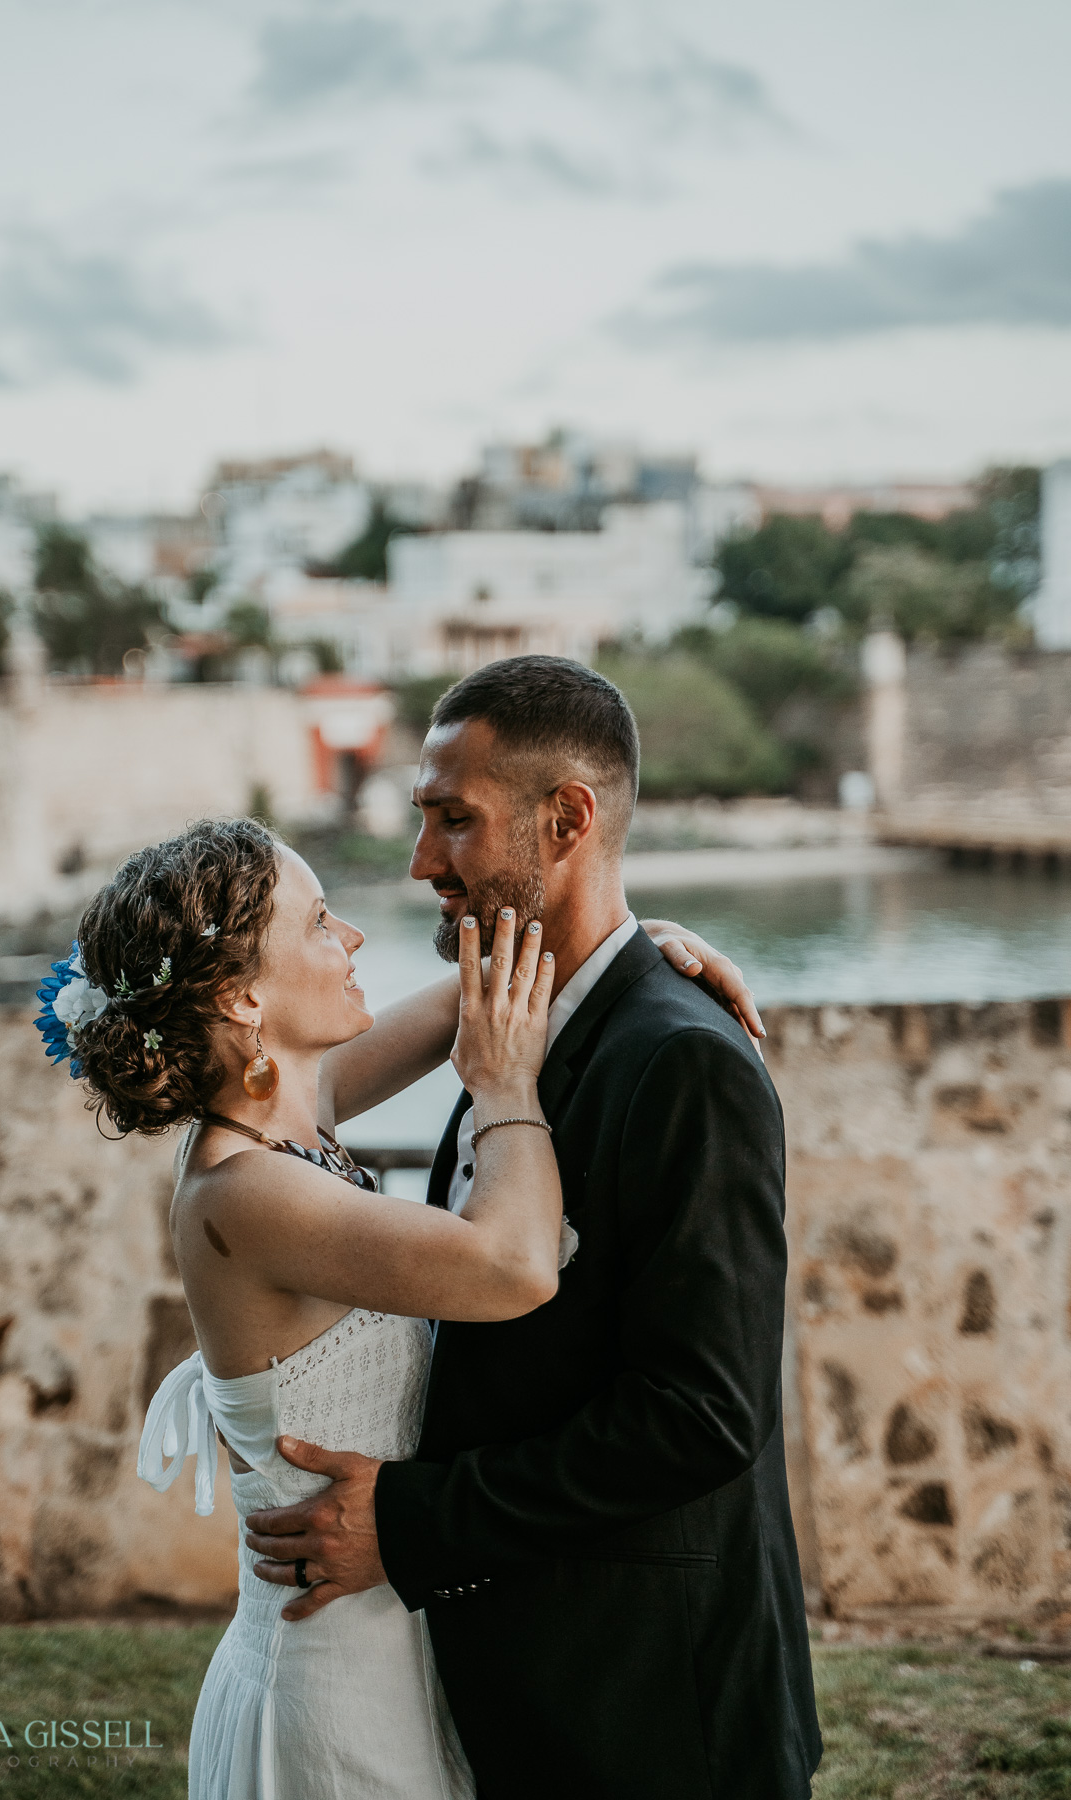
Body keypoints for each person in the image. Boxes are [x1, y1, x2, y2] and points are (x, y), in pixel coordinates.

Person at [32, 811, 753, 1799]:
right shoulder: (248, 1192)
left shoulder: (286, 1124)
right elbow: (515, 1268)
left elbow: (484, 991)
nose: (355, 939)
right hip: (333, 1676)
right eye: (323, 923)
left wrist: (632, 948)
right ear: (246, 998)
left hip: (388, 1629)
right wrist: (504, 1089)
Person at [244, 657, 823, 1800]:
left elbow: (704, 1415)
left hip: (657, 1707)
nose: (420, 862)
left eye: (454, 821)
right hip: (534, 1688)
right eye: (424, 820)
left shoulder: (682, 1062)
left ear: (567, 821)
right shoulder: (516, 1023)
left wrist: (409, 1525)